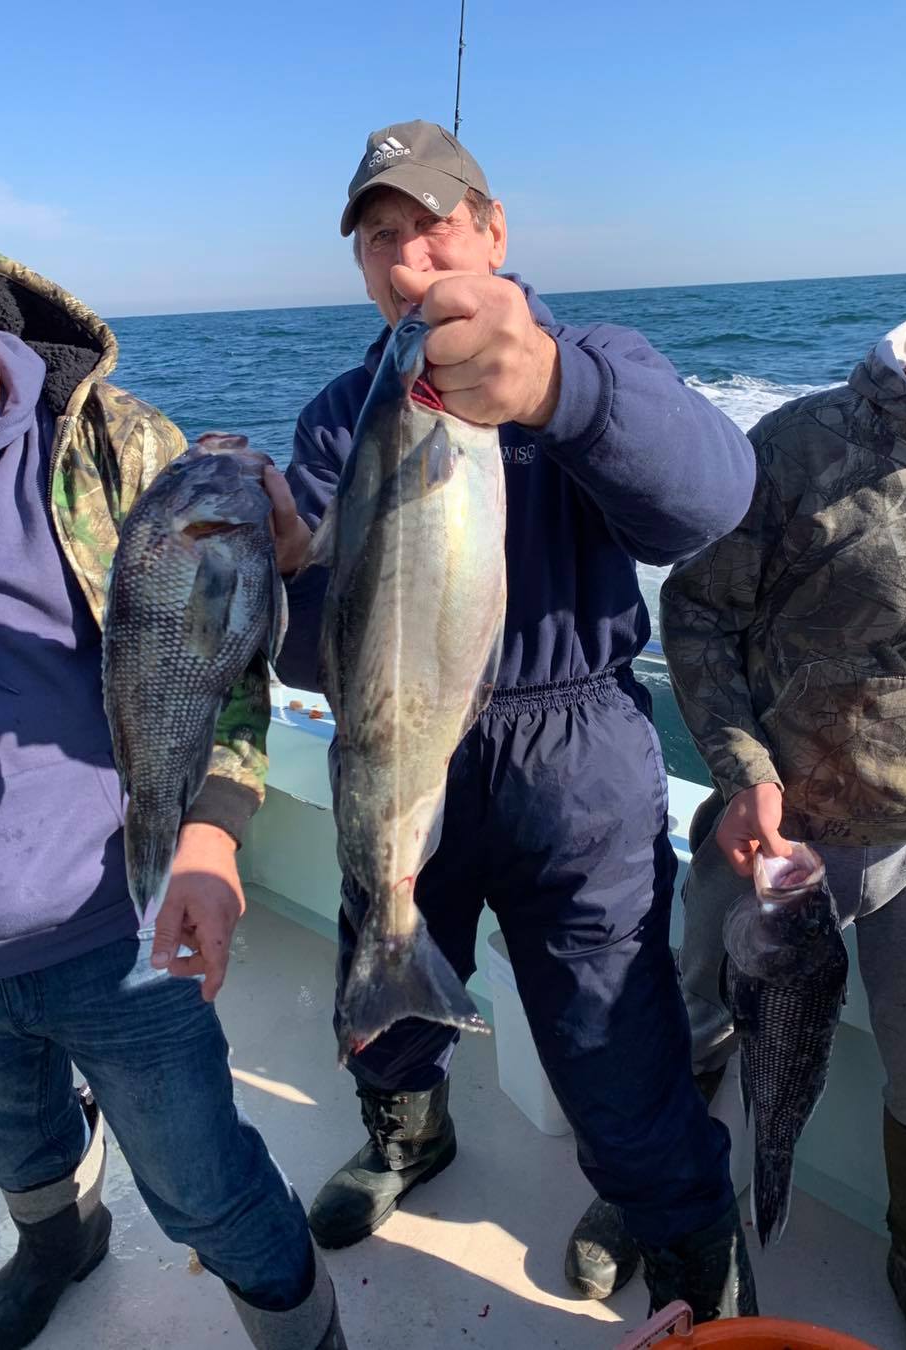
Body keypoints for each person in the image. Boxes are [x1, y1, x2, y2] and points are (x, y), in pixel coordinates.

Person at [265, 117, 760, 1319]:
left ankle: (688, 1253)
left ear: (492, 230)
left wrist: (553, 389)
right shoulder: (345, 412)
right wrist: (287, 577)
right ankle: (406, 1136)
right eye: (377, 239)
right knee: (374, 975)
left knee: (613, 1043)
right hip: (398, 747)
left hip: (572, 756)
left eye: (430, 224)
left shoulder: (596, 359)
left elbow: (709, 499)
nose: (405, 261)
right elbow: (323, 650)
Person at [660, 163, 906, 1350]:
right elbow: (698, 614)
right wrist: (737, 766)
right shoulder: (796, 442)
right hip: (771, 836)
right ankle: (664, 1212)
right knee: (693, 1013)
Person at [0, 237, 346, 1349]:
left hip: (110, 920)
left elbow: (222, 667)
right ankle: (58, 1240)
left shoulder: (120, 452)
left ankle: (300, 1335)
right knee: (7, 1147)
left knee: (206, 1186)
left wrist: (213, 840)